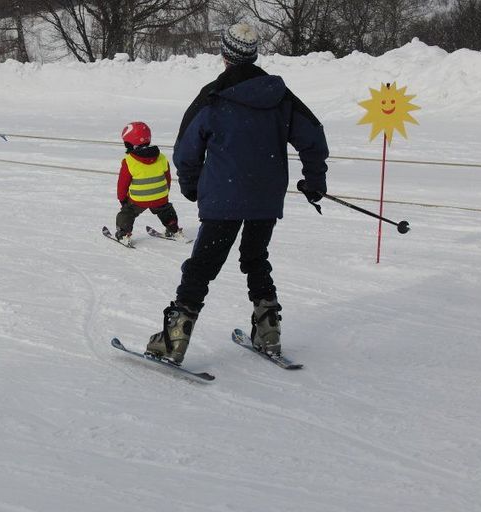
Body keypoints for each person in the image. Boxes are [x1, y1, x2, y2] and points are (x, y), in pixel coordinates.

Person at [146, 23, 329, 364]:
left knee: (202, 266)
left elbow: (187, 149)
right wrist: (314, 179)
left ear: (225, 55)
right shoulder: (279, 96)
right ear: (253, 54)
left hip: (222, 199)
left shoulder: (213, 96)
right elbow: (313, 136)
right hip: (265, 197)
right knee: (255, 258)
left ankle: (175, 338)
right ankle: (268, 327)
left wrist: (191, 185)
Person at [114, 121, 184, 246]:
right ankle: (173, 229)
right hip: (160, 196)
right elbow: (167, 178)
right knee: (165, 210)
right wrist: (164, 193)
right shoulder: (161, 157)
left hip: (138, 200)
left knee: (127, 212)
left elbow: (122, 184)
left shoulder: (129, 161)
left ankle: (123, 234)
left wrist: (122, 199)